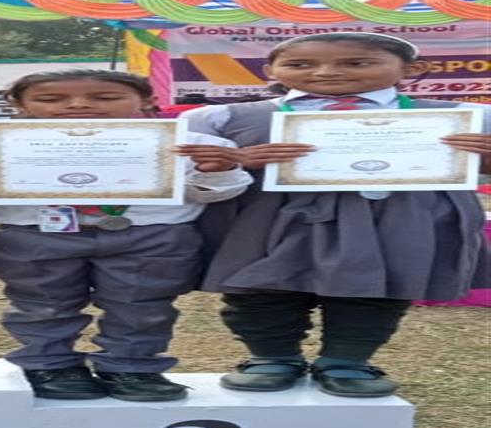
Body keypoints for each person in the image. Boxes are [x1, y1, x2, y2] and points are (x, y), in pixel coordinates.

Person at [184, 32, 490, 397]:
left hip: (398, 216)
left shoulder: (466, 117)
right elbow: (188, 173)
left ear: (411, 69)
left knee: (376, 286)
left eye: (357, 63)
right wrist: (235, 160)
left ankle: (346, 361)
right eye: (300, 64)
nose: (326, 73)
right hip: (267, 217)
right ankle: (271, 357)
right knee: (258, 285)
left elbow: (482, 169)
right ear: (270, 70)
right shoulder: (220, 118)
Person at [0, 69, 251, 401]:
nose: (78, 105)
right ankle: (50, 365)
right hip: (35, 234)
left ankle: (132, 367)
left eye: (106, 97)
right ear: (18, 104)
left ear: (146, 100)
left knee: (142, 305)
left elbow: (213, 193)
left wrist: (217, 172)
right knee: (42, 303)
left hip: (151, 236)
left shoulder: (192, 145)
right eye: (51, 99)